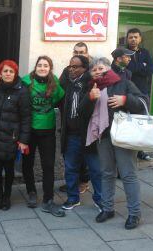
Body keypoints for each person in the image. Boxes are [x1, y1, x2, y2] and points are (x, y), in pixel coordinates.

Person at [80, 57, 148, 230]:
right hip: (103, 136)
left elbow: (143, 102)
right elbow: (81, 112)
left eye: (100, 68)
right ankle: (107, 208)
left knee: (128, 175)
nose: (97, 71)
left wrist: (125, 100)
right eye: (94, 70)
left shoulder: (123, 83)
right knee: (107, 173)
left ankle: (134, 213)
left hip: (124, 136)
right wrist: (90, 98)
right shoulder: (91, 87)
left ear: (108, 68)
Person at [21, 56, 65, 217]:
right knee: (28, 163)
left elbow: (61, 100)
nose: (42, 68)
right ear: (35, 67)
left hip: (48, 130)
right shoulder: (26, 82)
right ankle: (31, 192)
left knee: (48, 165)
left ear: (50, 68)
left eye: (45, 65)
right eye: (39, 65)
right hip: (29, 130)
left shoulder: (55, 83)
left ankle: (48, 199)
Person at [59, 55, 102, 211]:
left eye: (75, 67)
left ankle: (100, 199)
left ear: (85, 68)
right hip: (71, 134)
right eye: (70, 66)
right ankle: (72, 198)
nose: (71, 69)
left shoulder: (92, 84)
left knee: (95, 169)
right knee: (70, 168)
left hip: (89, 135)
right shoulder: (68, 83)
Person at [0, 59, 30, 211]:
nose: (8, 74)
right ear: (0, 73)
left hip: (11, 137)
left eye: (11, 71)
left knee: (9, 169)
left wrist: (23, 140)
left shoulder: (22, 90)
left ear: (15, 73)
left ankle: (7, 197)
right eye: (5, 71)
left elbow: (26, 117)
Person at [59, 42, 92, 194]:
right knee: (71, 161)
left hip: (87, 126)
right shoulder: (68, 72)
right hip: (70, 124)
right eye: (76, 51)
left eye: (82, 52)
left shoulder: (92, 73)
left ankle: (84, 182)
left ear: (87, 53)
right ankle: (73, 190)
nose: (78, 53)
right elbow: (59, 88)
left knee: (86, 160)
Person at [126, 28, 153, 161]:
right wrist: (140, 67)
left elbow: (151, 69)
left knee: (142, 121)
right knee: (129, 121)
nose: (133, 39)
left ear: (140, 38)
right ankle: (128, 148)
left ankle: (140, 151)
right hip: (128, 94)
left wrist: (137, 67)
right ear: (127, 39)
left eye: (135, 37)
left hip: (143, 93)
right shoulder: (123, 53)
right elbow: (127, 70)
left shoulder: (145, 53)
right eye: (131, 37)